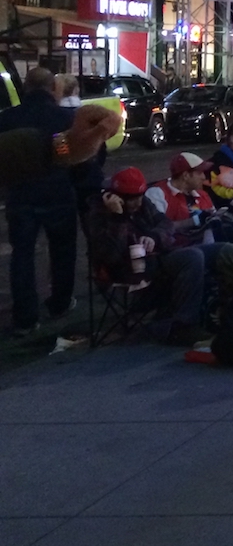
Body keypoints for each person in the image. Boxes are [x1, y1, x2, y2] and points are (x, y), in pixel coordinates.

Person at [83, 167, 213, 345]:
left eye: (140, 198)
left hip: (156, 256)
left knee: (215, 251)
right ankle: (183, 325)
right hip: (128, 269)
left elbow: (166, 224)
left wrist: (154, 237)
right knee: (192, 257)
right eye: (133, 200)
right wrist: (118, 217)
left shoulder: (142, 202)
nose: (138, 203)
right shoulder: (99, 214)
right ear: (118, 197)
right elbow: (111, 253)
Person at [0, 68, 78, 335]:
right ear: (52, 88)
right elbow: (78, 156)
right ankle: (60, 303)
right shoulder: (63, 118)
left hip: (20, 195)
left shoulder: (7, 119)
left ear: (26, 87)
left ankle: (25, 317)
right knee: (63, 252)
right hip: (57, 194)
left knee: (22, 255)